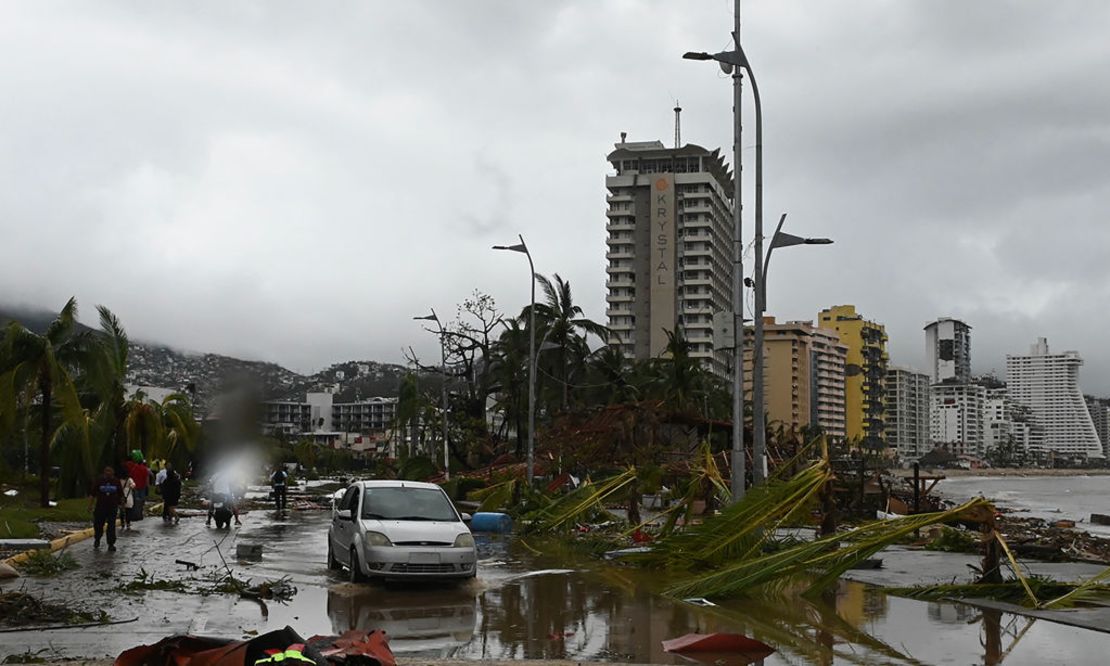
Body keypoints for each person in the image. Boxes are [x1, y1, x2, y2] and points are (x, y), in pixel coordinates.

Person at [88, 466, 123, 551]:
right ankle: (97, 538)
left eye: (110, 472)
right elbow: (92, 494)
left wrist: (122, 506)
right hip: (100, 507)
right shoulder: (99, 480)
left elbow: (121, 494)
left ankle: (111, 544)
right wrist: (90, 505)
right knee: (98, 524)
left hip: (112, 508)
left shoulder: (116, 481)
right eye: (106, 472)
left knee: (111, 526)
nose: (108, 473)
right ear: (104, 473)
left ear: (113, 473)